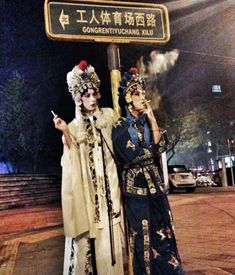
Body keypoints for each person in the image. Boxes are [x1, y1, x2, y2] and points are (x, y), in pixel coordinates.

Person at [53, 60, 124, 275]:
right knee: (89, 247)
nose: (92, 99)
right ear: (78, 98)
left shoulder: (110, 116)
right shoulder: (74, 127)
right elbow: (70, 161)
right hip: (90, 197)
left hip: (111, 189)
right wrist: (66, 131)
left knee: (114, 246)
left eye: (94, 94)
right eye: (86, 96)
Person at [112, 67, 184, 275]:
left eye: (143, 93)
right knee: (143, 235)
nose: (142, 97)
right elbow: (132, 156)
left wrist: (152, 120)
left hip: (156, 189)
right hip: (136, 191)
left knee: (165, 230)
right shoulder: (120, 127)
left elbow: (159, 148)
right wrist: (150, 151)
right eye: (137, 93)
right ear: (127, 98)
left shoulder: (146, 124)